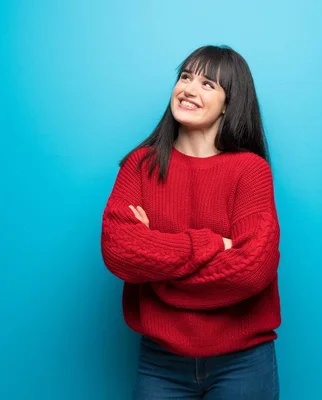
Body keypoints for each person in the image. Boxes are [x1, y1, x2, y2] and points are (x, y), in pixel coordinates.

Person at [100, 44, 281, 400]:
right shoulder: (140, 166)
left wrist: (157, 263)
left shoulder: (250, 171)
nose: (189, 90)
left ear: (229, 102)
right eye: (185, 77)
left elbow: (252, 271)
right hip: (160, 362)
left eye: (208, 84)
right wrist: (214, 245)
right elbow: (119, 252)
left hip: (243, 364)